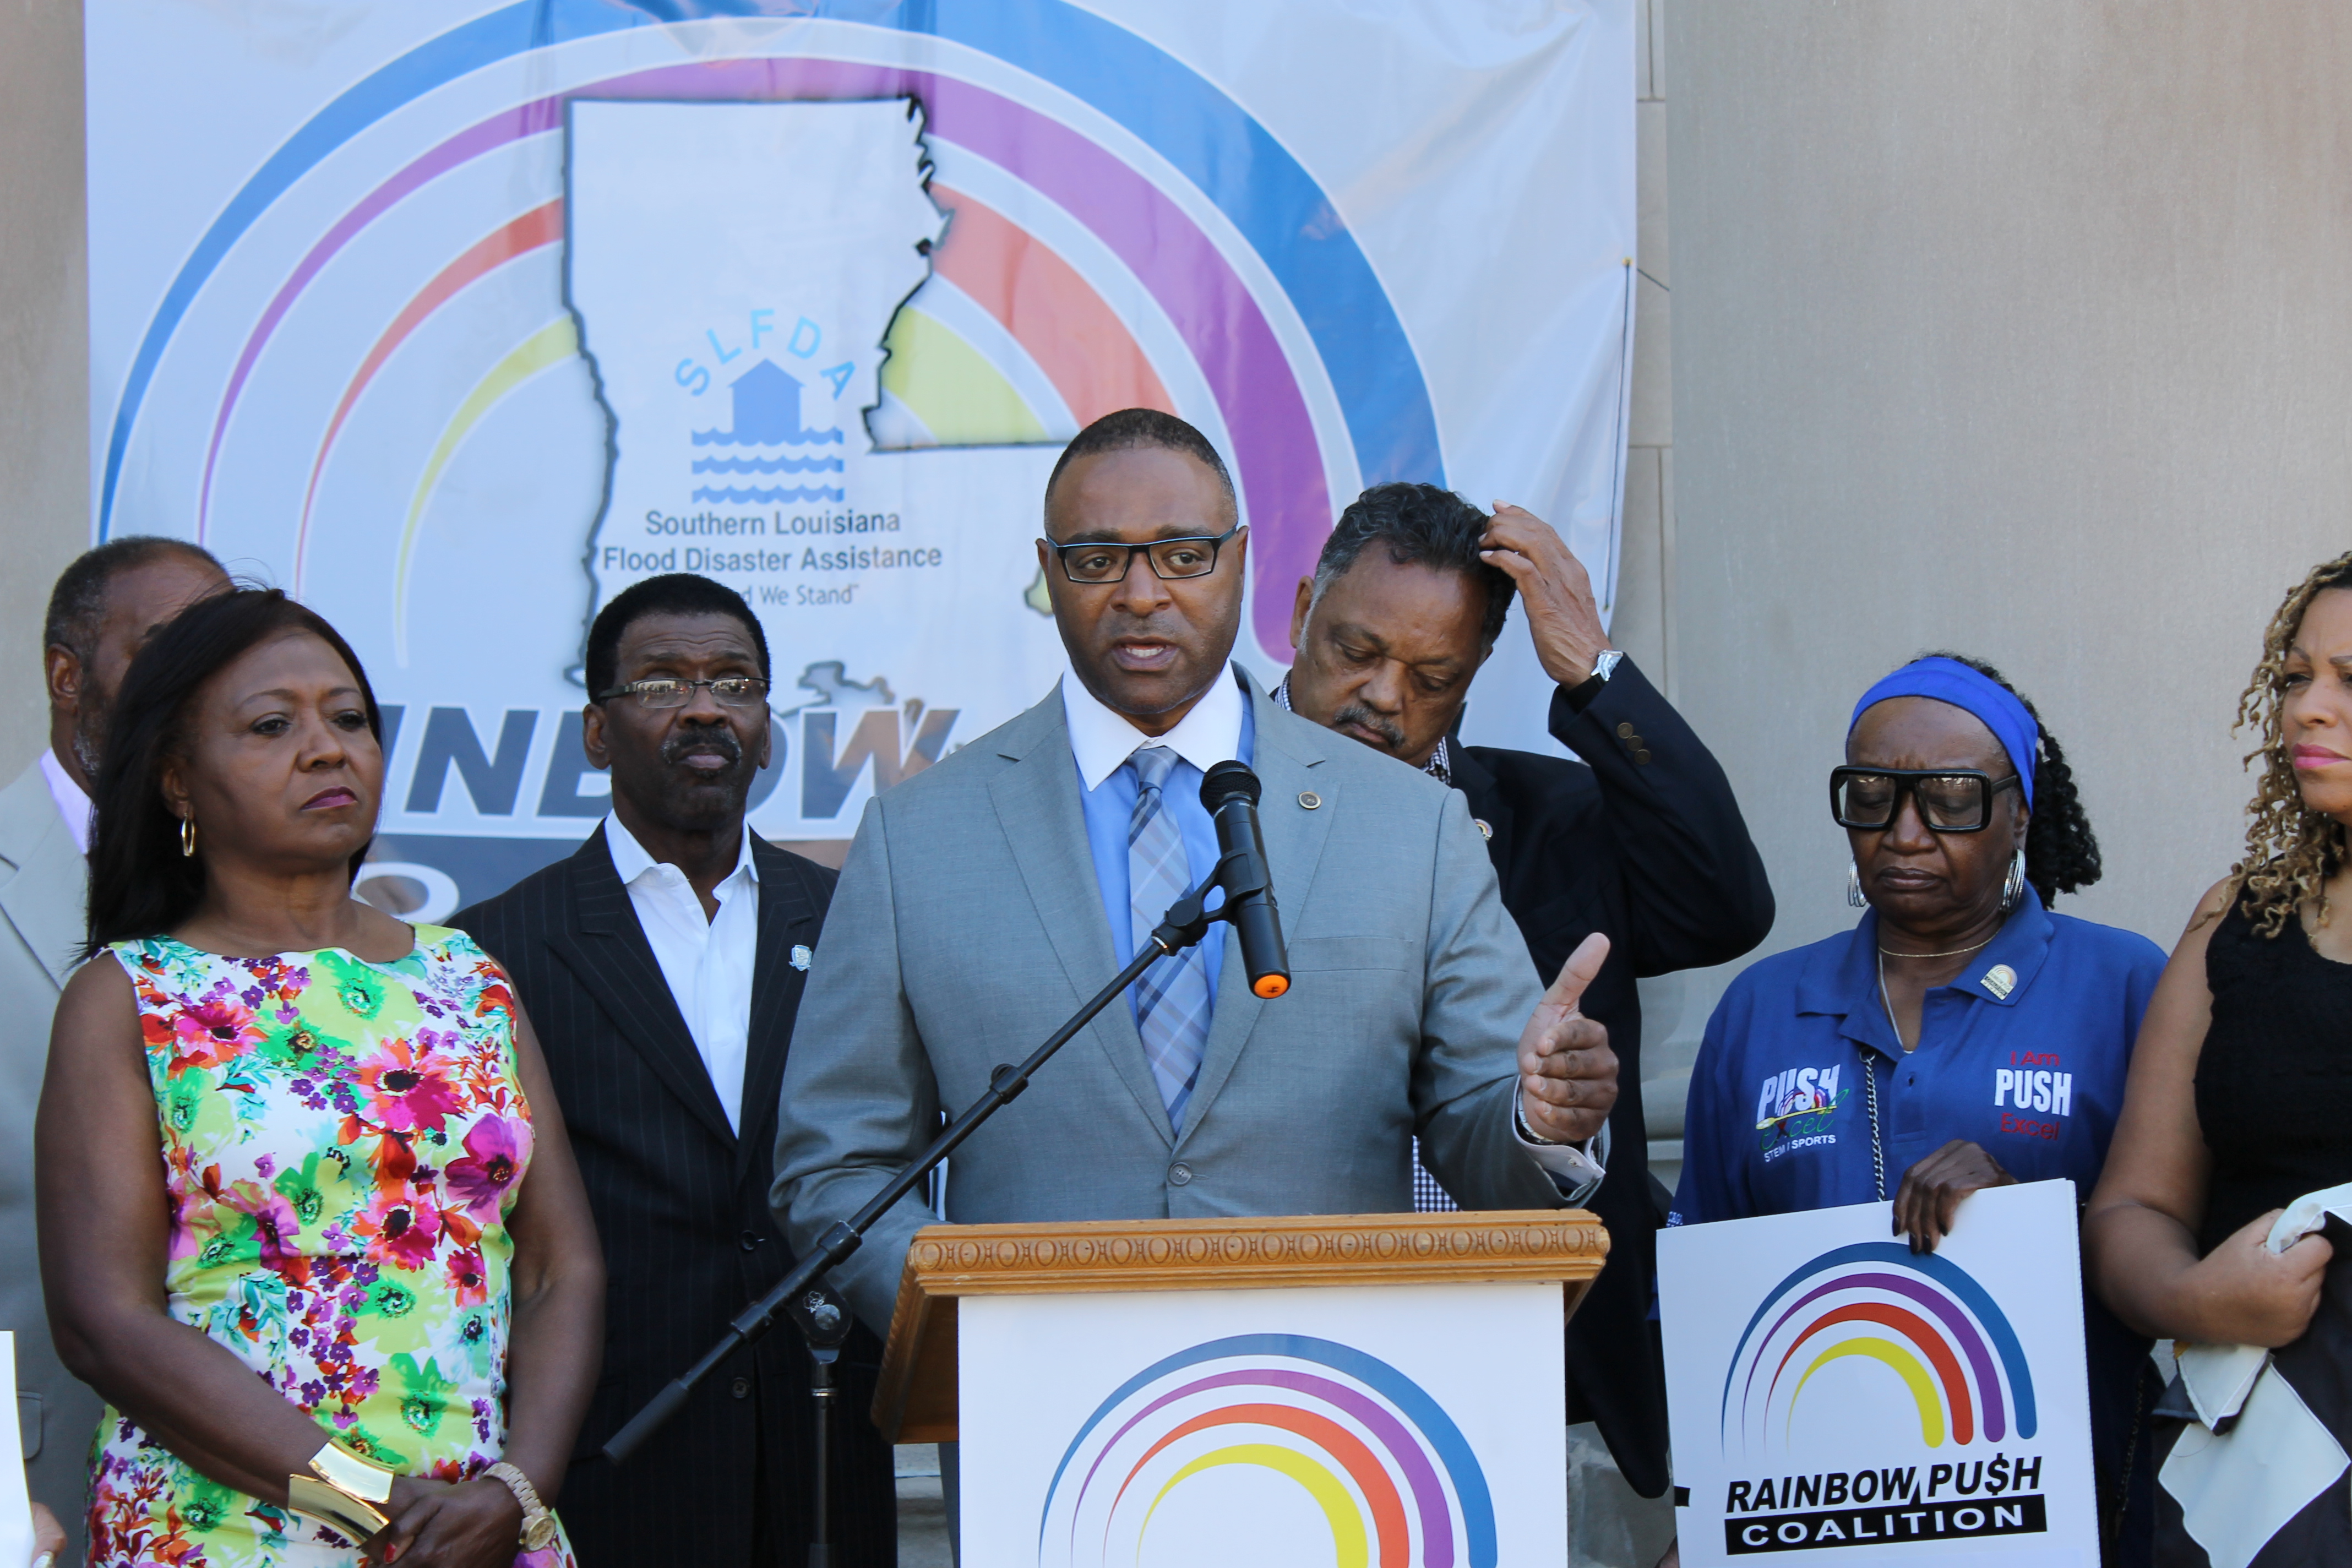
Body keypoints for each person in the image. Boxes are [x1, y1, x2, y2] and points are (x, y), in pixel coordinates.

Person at [771, 405, 1621, 1342]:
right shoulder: (918, 837)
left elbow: (1478, 1130)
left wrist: (1540, 1120)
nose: (1140, 594)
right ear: (1049, 573)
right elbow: (836, 1168)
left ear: (1242, 561)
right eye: (1098, 560)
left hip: (1343, 1410)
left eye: (1183, 555)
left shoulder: (1413, 825)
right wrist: (970, 1324)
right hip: (1038, 1415)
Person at [36, 588, 604, 1566]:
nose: (326, 748)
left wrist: (517, 1493)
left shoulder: (466, 977)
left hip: (476, 1532)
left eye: (348, 719)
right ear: (178, 783)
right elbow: (105, 1323)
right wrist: (373, 1502)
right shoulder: (128, 995)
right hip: (229, 1530)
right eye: (271, 725)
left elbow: (563, 1267)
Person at [1278, 482, 1772, 1499]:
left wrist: (1595, 670)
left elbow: (1726, 906)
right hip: (1295, 1364)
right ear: (1297, 616)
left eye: (1432, 674)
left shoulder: (1559, 821)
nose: (1384, 698)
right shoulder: (1198, 820)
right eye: (1357, 652)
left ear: (1475, 679)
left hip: (1547, 1375)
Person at [1672, 654, 2165, 1561]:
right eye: (1871, 794)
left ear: (2019, 812)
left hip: (2069, 1517)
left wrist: (2034, 1222)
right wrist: (1701, 1518)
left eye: (1949, 798)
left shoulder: (2127, 985)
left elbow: (2185, 1248)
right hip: (1814, 1524)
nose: (1903, 831)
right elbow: (1702, 1294)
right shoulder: (1763, 1006)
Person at [453, 574, 896, 1567]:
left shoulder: (854, 917)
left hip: (825, 1441)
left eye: (734, 682)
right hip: (611, 1454)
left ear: (767, 724)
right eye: (661, 684)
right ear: (597, 732)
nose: (704, 706)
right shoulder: (492, 952)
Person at [2086, 551, 2352, 1566]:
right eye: (2294, 678)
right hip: (2258, 1483)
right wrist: (2199, 1299)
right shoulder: (2236, 920)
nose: (2306, 710)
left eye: (2349, 680)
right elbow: (2131, 1211)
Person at [3, 537, 227, 1565]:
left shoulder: (289, 908)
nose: (202, 680)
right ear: (66, 675)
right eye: (169, 647)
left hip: (263, 1496)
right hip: (41, 1483)